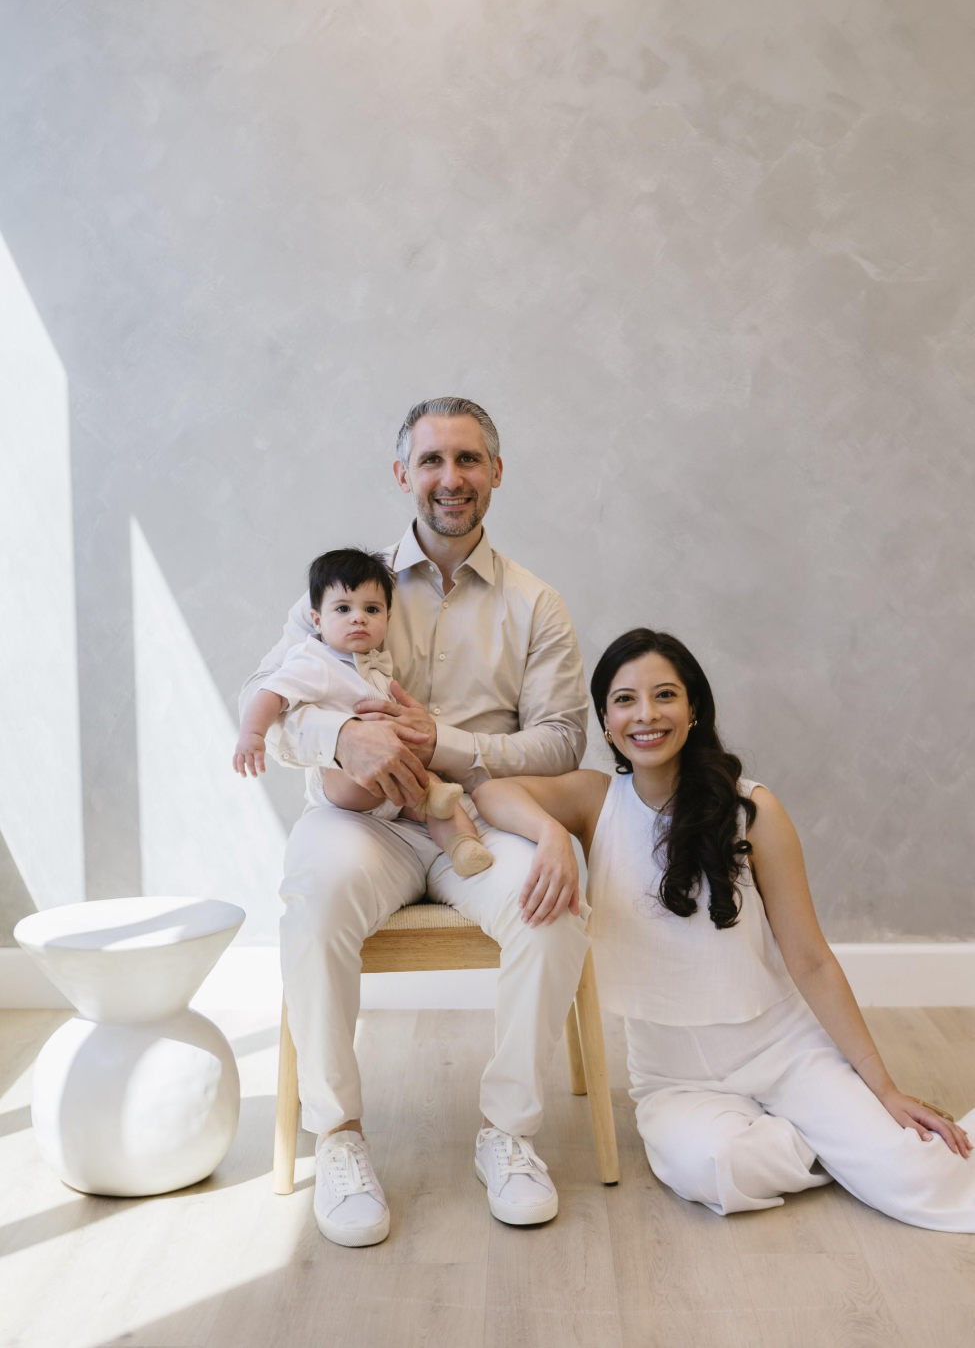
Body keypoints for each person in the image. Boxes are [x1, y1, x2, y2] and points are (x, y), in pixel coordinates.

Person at [472, 627, 975, 1231]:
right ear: (605, 721)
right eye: (625, 700)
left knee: (921, 1176)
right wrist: (552, 833)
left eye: (665, 695)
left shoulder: (751, 809)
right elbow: (492, 792)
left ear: (693, 710)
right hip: (674, 1080)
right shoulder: (594, 800)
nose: (646, 714)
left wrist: (884, 1089)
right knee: (716, 1168)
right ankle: (832, 1145)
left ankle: (856, 1139)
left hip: (786, 1052)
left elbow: (811, 959)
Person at [239, 397, 591, 1247]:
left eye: (468, 460)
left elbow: (562, 740)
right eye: (431, 460)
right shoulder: (343, 583)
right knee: (314, 895)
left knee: (552, 903)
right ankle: (339, 1135)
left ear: (495, 472)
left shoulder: (536, 603)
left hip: (475, 814)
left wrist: (449, 743)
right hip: (365, 822)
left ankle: (507, 1134)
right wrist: (343, 738)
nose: (450, 478)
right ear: (403, 474)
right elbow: (270, 702)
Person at [233, 546, 494, 877]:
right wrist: (252, 735)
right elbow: (271, 693)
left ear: (387, 619)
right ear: (317, 620)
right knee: (408, 785)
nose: (358, 617)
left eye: (371, 609)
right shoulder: (314, 661)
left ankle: (464, 847)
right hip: (342, 779)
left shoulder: (376, 666)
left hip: (389, 783)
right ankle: (426, 800)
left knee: (437, 793)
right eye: (343, 608)